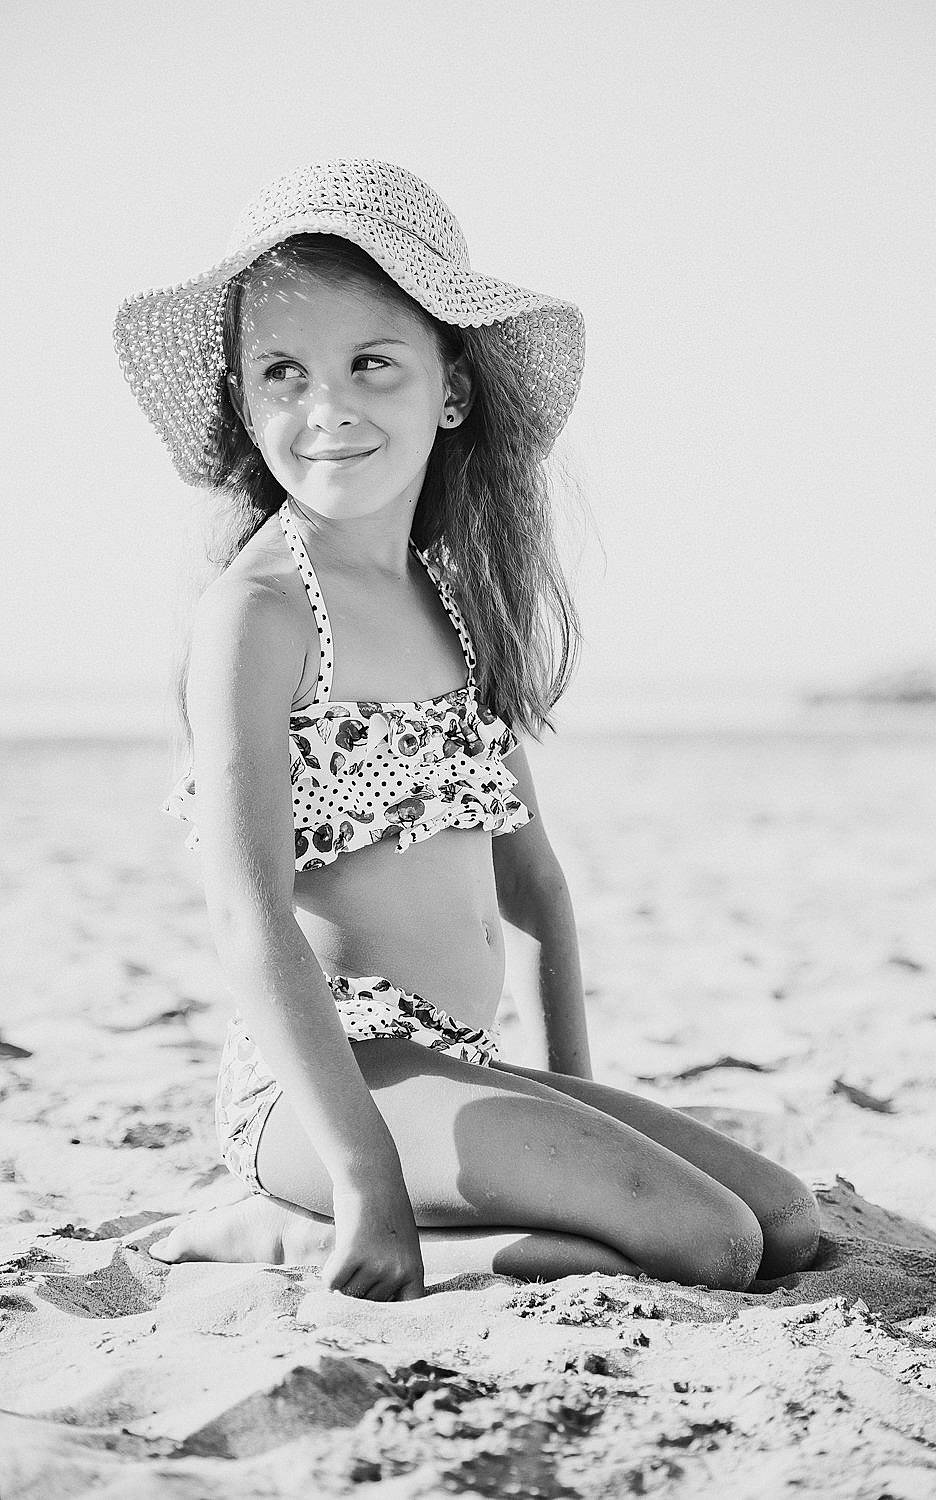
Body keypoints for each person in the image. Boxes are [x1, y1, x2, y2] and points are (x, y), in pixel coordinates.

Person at [114, 160, 820, 1302]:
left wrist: (572, 1108)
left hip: (453, 1064)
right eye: (281, 372)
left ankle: (515, 1215)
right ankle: (278, 1224)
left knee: (779, 1222)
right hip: (324, 1090)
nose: (325, 406)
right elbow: (249, 920)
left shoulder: (452, 600)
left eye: (371, 364)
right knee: (711, 1246)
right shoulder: (258, 615)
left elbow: (530, 883)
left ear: (450, 390)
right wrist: (366, 1183)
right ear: (244, 401)